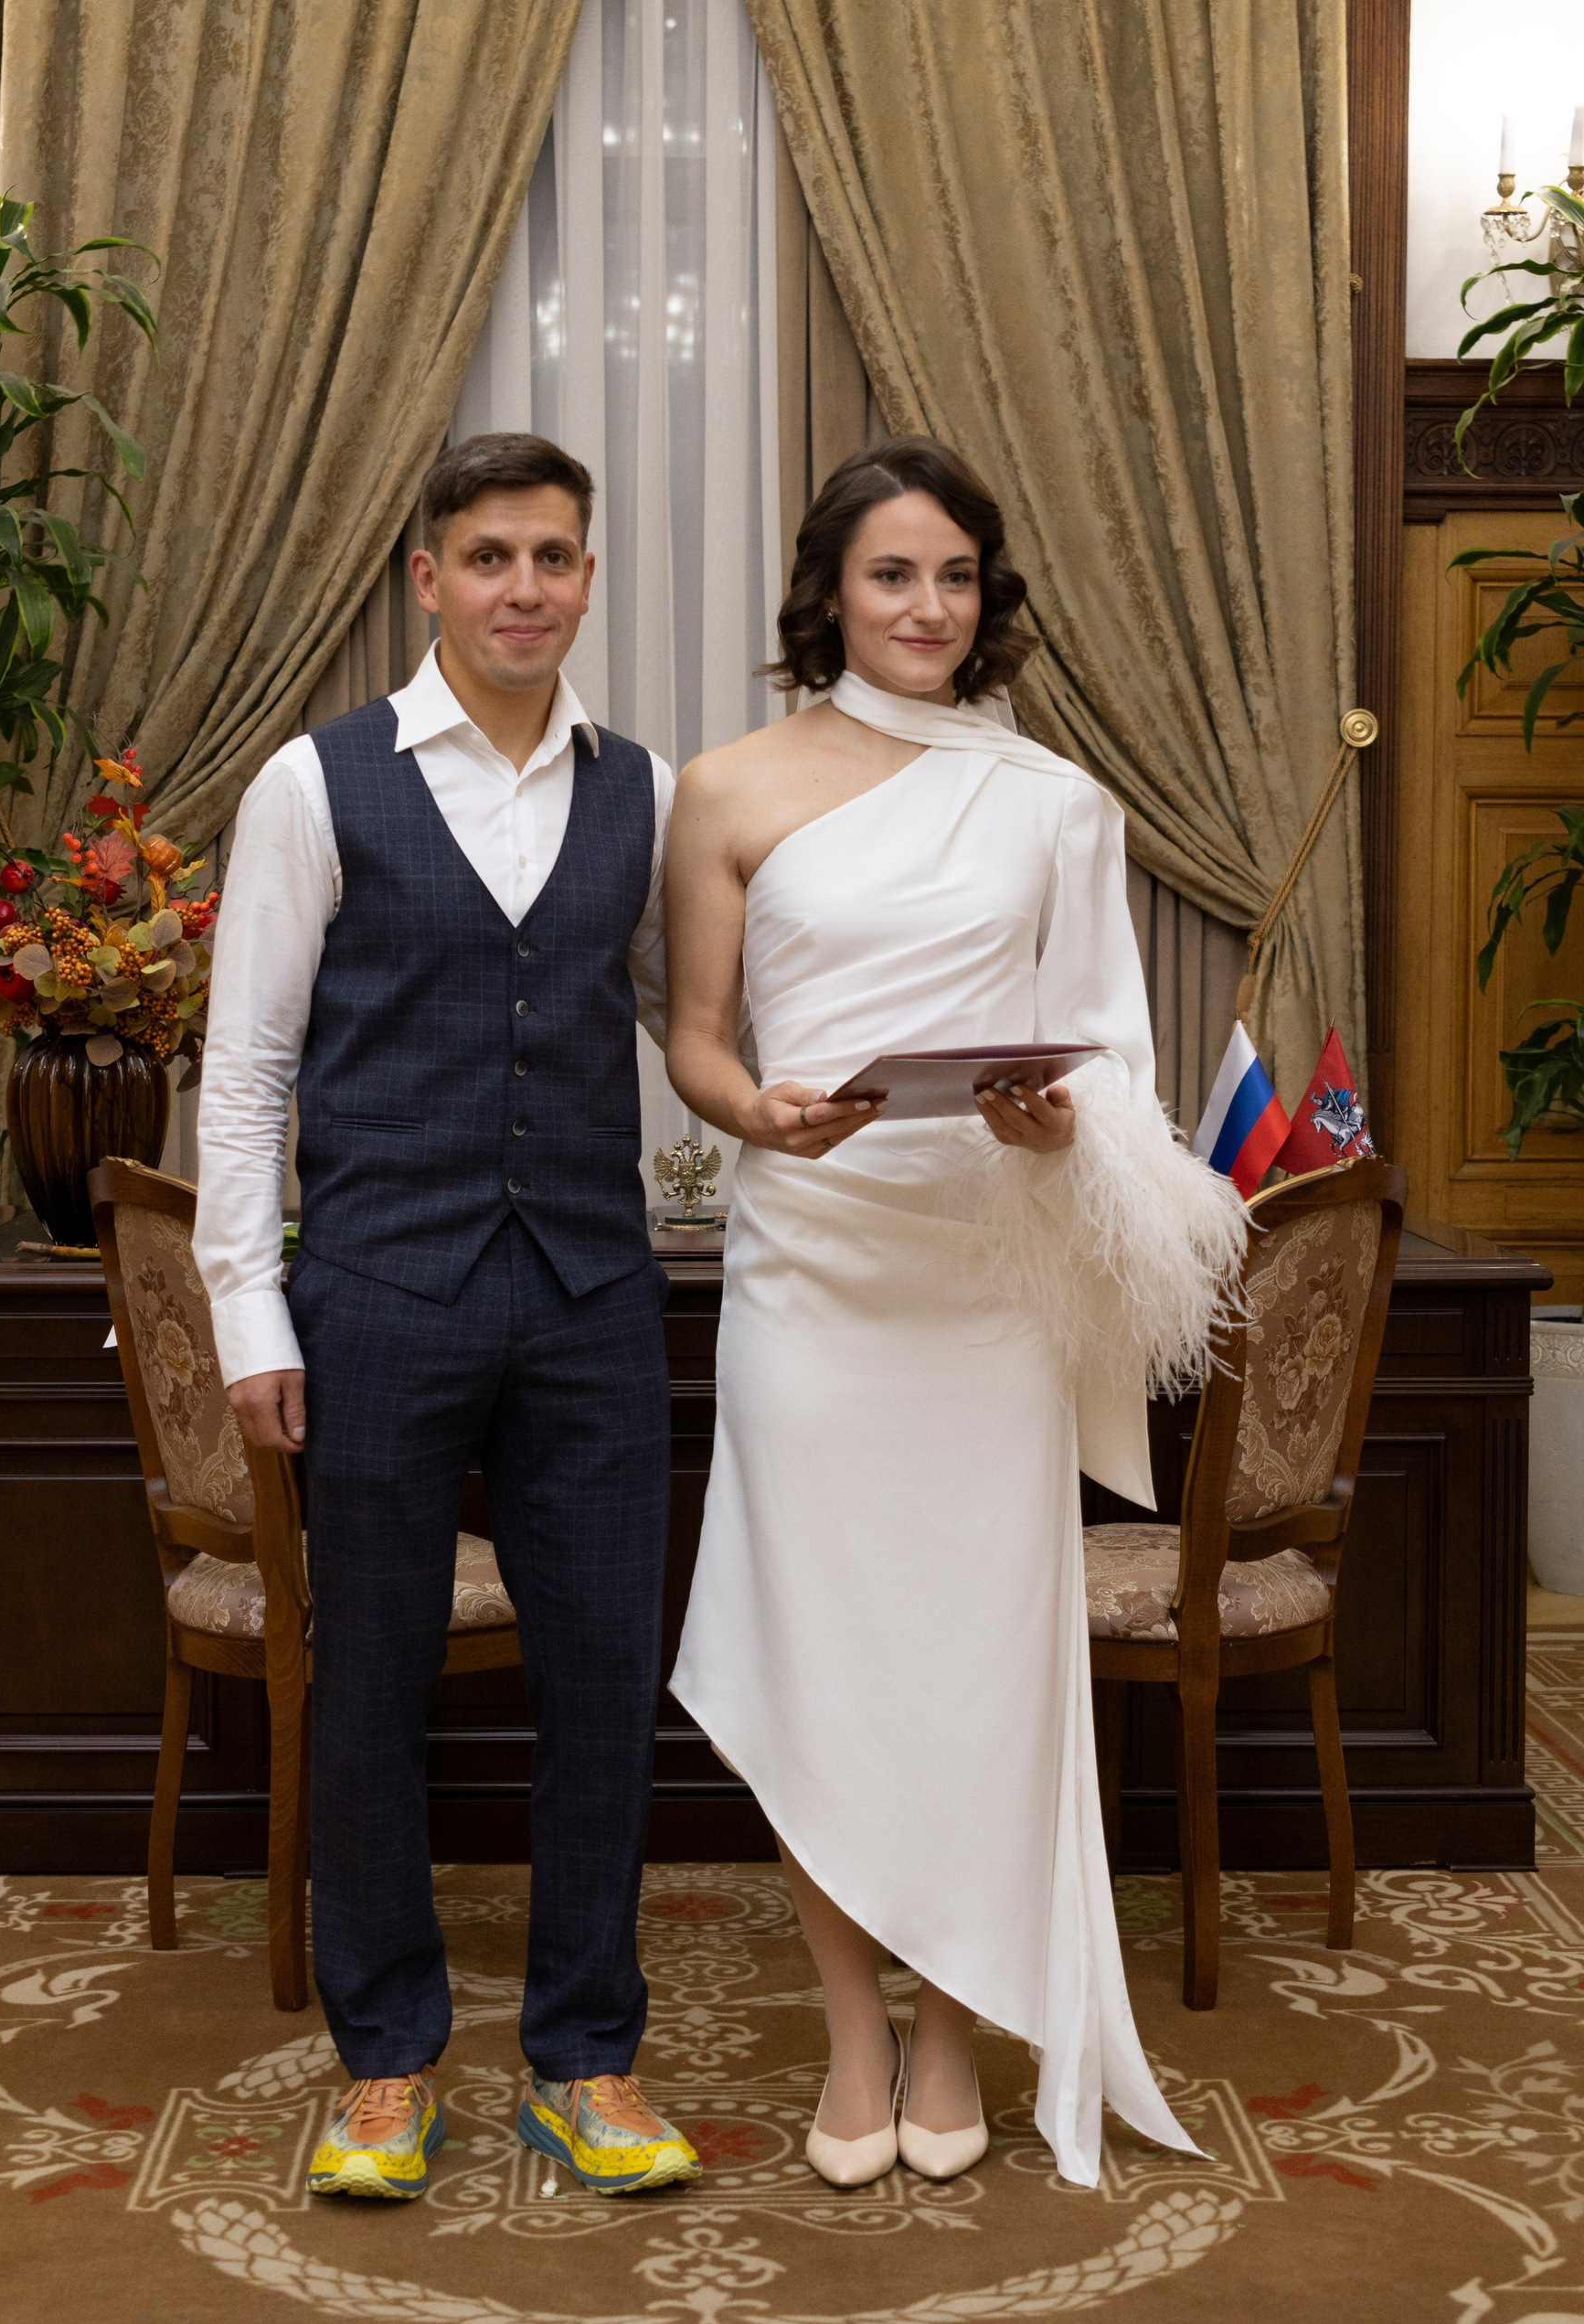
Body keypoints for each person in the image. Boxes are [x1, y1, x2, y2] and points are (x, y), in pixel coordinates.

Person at [664, 436, 1247, 2191]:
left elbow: (1111, 1059)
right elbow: (700, 1039)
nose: (928, 606)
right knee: (820, 1657)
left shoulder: (1056, 801)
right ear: (830, 593)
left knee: (978, 1662)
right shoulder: (727, 786)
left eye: (957, 576)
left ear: (989, 599)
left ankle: (951, 2027)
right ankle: (855, 2030)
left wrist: (1059, 1125)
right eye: (892, 574)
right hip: (811, 1268)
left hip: (988, 1277)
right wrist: (757, 1111)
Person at [194, 432, 702, 2203]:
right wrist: (251, 1314)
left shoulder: (646, 794)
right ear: (428, 578)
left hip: (591, 1300)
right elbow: (245, 1069)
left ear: (586, 580)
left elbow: (693, 1022)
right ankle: (387, 2059)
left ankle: (587, 2055)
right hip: (378, 1298)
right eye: (489, 557)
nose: (522, 589)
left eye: (553, 558)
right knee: (370, 1688)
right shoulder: (312, 783)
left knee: (604, 1684)